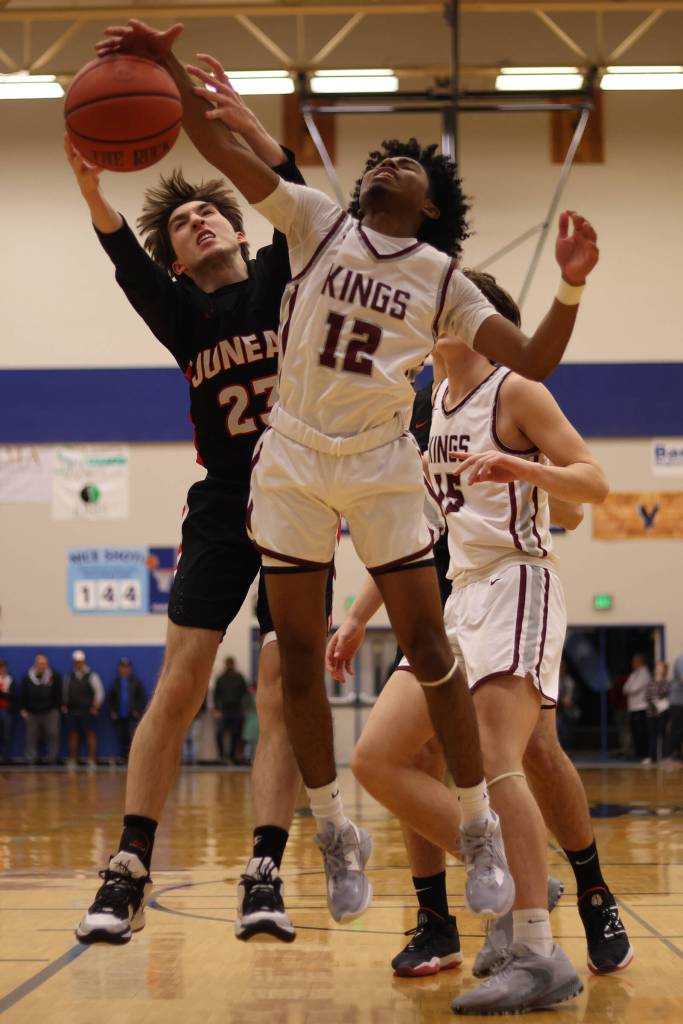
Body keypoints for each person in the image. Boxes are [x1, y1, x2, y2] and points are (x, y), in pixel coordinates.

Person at [167, 34, 599, 946]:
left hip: (376, 461)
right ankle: (331, 831)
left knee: (425, 640)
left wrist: (567, 286)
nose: (382, 163)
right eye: (376, 157)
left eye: (401, 162)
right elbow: (223, 155)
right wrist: (171, 79)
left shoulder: (442, 281)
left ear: (427, 205)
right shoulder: (317, 217)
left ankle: (476, 828)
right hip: (289, 453)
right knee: (293, 651)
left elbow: (537, 356)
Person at [69, 22, 333, 947]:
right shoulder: (182, 312)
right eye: (182, 222)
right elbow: (123, 264)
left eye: (208, 211)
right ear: (177, 258)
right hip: (225, 507)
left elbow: (299, 197)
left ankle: (264, 869)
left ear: (236, 224)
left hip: (302, 500)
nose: (198, 220)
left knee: (280, 684)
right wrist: (91, 189)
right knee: (180, 681)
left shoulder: (282, 274)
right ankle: (128, 867)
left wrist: (246, 124)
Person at [330, 272, 631, 1013]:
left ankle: (535, 947)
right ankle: (519, 873)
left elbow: (592, 484)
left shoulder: (517, 390)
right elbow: (423, 528)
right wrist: (361, 611)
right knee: (375, 759)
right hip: (460, 594)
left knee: (504, 759)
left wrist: (518, 464)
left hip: (518, 582)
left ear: (477, 319)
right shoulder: (430, 407)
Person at [63, 650, 105, 770]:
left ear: (84, 662)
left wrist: (95, 707)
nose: (78, 664)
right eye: (76, 662)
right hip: (73, 711)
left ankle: (91, 761)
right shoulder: (69, 676)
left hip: (87, 711)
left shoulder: (92, 676)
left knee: (90, 735)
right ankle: (72, 760)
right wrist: (65, 704)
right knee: (73, 736)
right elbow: (65, 692)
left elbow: (100, 693)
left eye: (80, 662)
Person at [19, 653, 62, 765]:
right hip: (32, 713)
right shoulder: (28, 677)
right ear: (35, 663)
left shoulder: (54, 676)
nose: (41, 665)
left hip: (50, 712)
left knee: (52, 734)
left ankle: (52, 758)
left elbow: (59, 693)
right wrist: (23, 708)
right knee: (31, 737)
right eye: (39, 663)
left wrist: (57, 708)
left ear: (47, 664)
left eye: (44, 663)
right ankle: (31, 759)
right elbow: (23, 693)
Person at [109, 657, 147, 763]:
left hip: (132, 715)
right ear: (119, 669)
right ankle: (124, 758)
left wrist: (138, 710)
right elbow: (111, 698)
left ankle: (133, 758)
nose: (124, 670)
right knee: (122, 736)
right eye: (122, 667)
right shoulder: (116, 683)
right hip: (120, 715)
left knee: (133, 737)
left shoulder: (136, 682)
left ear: (130, 669)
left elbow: (141, 697)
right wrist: (113, 711)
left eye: (126, 667)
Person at [212, 656, 248, 763]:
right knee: (219, 733)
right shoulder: (221, 678)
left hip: (237, 710)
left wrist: (244, 708)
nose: (229, 666)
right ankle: (222, 756)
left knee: (235, 734)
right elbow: (216, 695)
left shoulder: (239, 678)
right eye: (228, 664)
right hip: (223, 711)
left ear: (234, 664)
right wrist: (216, 709)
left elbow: (245, 694)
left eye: (231, 663)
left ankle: (232, 757)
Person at [623, 653, 651, 761]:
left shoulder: (645, 673)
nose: (633, 663)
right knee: (635, 732)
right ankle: (638, 753)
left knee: (641, 732)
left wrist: (629, 690)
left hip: (641, 707)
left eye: (635, 661)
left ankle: (644, 754)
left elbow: (634, 688)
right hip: (633, 707)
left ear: (640, 661)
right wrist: (629, 689)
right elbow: (625, 688)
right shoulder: (634, 674)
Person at [645, 660, 669, 765]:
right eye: (657, 666)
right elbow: (647, 696)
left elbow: (665, 695)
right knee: (652, 735)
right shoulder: (650, 682)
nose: (658, 668)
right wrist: (653, 702)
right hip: (651, 712)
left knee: (662, 734)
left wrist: (658, 701)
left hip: (662, 712)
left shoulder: (666, 683)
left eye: (660, 666)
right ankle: (651, 757)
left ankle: (663, 756)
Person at [556, 658, 581, 750]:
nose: (561, 669)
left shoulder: (569, 681)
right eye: (559, 667)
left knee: (567, 733)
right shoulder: (553, 681)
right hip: (556, 711)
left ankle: (567, 751)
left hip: (568, 711)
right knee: (557, 731)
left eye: (562, 667)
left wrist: (572, 700)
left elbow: (576, 694)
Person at [665, 651, 683, 765]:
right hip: (678, 703)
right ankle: (672, 757)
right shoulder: (682, 660)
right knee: (677, 731)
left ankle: (678, 758)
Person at [0, 659, 16, 763]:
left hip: (7, 711)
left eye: (4, 668)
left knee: (6, 735)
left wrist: (4, 694)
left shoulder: (11, 680)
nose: (2, 670)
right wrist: (5, 693)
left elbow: (13, 696)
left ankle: (5, 758)